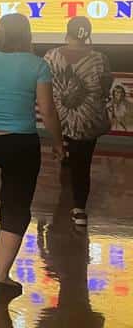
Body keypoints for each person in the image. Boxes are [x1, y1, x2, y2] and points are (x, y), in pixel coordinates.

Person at [0, 13, 63, 305]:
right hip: (19, 146)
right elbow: (48, 110)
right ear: (27, 35)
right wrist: (57, 143)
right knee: (16, 206)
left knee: (8, 169)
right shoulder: (38, 65)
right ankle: (1, 278)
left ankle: (6, 182)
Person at [43, 17, 113, 227]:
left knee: (64, 155)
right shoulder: (100, 59)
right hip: (87, 121)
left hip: (57, 117)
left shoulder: (50, 56)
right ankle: (79, 210)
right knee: (83, 165)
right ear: (88, 34)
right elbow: (105, 88)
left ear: (68, 33)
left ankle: (63, 161)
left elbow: (44, 87)